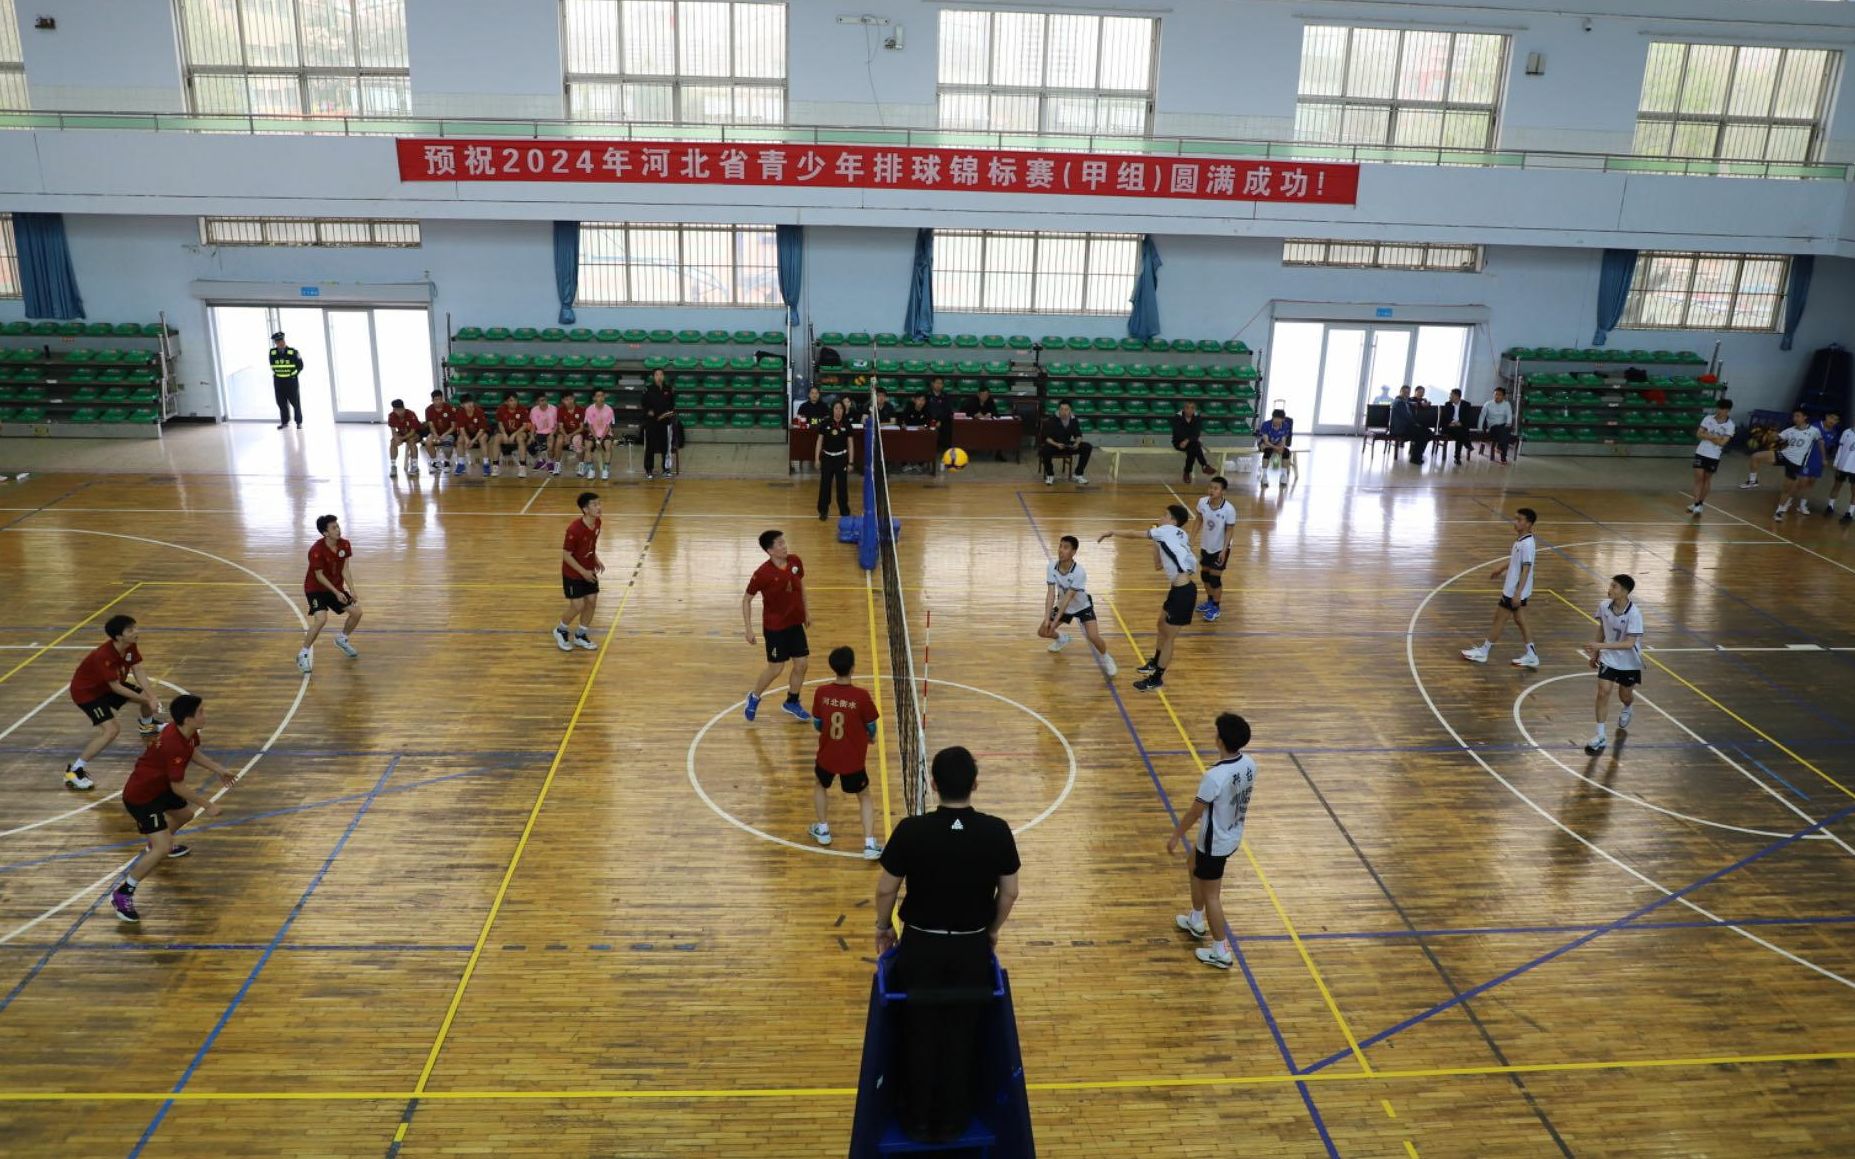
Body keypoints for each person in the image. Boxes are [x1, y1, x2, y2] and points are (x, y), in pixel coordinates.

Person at [873, 746, 1021, 1144]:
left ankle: (917, 1122)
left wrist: (883, 926)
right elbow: (1009, 893)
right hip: (971, 949)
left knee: (918, 1030)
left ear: (933, 784)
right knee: (962, 1033)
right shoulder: (997, 831)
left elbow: (886, 888)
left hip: (921, 947)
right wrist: (991, 930)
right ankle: (954, 1122)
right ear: (975, 784)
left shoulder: (911, 830)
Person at [109, 695, 237, 924]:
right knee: (163, 847)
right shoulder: (172, 743)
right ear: (188, 719)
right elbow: (178, 786)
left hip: (160, 787)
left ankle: (157, 844)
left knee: (185, 814)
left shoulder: (186, 733)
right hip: (143, 797)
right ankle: (124, 892)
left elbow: (192, 751)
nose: (205, 715)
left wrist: (218, 769)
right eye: (200, 712)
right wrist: (208, 805)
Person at [1170, 712, 1257, 970]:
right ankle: (1196, 919)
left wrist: (1176, 835)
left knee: (1213, 896)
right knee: (1192, 864)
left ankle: (1221, 950)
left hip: (1214, 842)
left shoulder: (1214, 777)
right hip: (1232, 834)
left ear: (1220, 740)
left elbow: (1195, 812)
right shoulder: (1249, 764)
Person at [1098, 504, 1197, 692]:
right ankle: (1155, 662)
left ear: (1173, 521)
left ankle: (1157, 678)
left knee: (1169, 637)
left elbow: (1133, 534)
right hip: (1178, 590)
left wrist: (1112, 532)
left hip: (1184, 593)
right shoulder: (1178, 535)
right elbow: (1158, 565)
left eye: (1165, 515)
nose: (1161, 517)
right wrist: (1155, 542)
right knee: (1161, 624)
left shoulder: (1165, 531)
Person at [64, 614, 161, 792]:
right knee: (111, 730)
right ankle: (74, 771)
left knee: (145, 696)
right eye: (130, 630)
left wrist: (151, 695)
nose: (136, 632)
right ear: (118, 636)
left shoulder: (130, 646)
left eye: (135, 627)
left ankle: (147, 726)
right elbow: (116, 688)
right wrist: (148, 699)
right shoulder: (104, 655)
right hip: (88, 693)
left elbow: (138, 669)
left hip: (106, 686)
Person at [809, 645, 883, 859]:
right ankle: (869, 844)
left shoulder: (822, 693)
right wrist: (870, 737)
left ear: (833, 667)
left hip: (827, 755)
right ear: (852, 668)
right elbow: (871, 726)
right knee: (864, 795)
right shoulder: (861, 696)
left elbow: (817, 724)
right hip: (853, 760)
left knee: (820, 784)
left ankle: (823, 831)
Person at [742, 529, 812, 723]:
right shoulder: (762, 574)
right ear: (770, 550)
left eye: (784, 542)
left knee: (802, 664)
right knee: (776, 668)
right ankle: (754, 697)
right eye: (779, 544)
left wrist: (806, 612)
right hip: (775, 628)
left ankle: (792, 701)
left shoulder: (795, 561)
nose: (784, 546)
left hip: (795, 623)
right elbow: (746, 600)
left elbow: (800, 586)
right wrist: (749, 629)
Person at [1461, 507, 1539, 669]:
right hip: (1514, 589)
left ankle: (1484, 652)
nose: (1515, 522)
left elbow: (1526, 569)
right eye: (1515, 518)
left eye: (1519, 520)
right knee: (1520, 620)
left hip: (1514, 591)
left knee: (1499, 618)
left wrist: (1517, 593)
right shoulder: (1521, 540)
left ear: (1529, 523)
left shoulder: (1527, 544)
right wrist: (1501, 568)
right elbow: (1516, 560)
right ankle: (1531, 655)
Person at [1582, 574, 1644, 756]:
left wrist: (1600, 646)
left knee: (1625, 696)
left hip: (1629, 661)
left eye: (1614, 586)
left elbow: (1629, 644)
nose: (1610, 589)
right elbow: (1603, 628)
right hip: (1609, 658)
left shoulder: (1634, 614)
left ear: (1625, 592)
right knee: (1602, 692)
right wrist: (1595, 653)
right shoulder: (1604, 606)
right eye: (1611, 585)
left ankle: (1628, 707)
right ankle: (1600, 735)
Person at [1038, 534, 1117, 676]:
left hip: (1082, 607)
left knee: (1093, 637)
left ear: (1073, 552)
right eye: (1060, 546)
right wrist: (1046, 618)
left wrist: (1054, 621)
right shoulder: (1051, 566)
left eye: (1066, 548)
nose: (1061, 550)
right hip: (1063, 606)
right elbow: (1050, 593)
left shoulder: (1079, 572)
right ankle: (1062, 639)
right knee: (1043, 631)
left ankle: (1106, 657)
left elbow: (1069, 597)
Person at [298, 514, 362, 674]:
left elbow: (345, 570)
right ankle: (303, 654)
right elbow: (319, 576)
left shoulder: (344, 545)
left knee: (356, 613)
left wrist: (352, 589)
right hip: (315, 589)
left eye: (337, 526)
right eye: (333, 528)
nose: (338, 529)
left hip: (335, 588)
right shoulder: (316, 550)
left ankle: (342, 638)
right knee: (321, 619)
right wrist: (336, 592)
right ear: (325, 533)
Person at [556, 491, 603, 653]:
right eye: (594, 505)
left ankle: (580, 635)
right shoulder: (574, 529)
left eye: (599, 503)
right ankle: (560, 630)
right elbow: (566, 555)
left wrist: (595, 558)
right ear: (585, 509)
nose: (599, 507)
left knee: (591, 601)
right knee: (578, 605)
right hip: (574, 573)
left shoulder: (597, 523)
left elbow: (591, 544)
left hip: (588, 569)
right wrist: (583, 572)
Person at [1192, 475, 1239, 622]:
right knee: (1205, 575)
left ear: (1223, 491)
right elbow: (1199, 519)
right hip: (1206, 545)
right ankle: (1210, 601)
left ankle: (1216, 608)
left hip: (1220, 548)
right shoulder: (1202, 502)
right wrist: (1191, 538)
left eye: (1216, 488)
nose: (1212, 490)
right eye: (1210, 487)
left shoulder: (1229, 509)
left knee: (1214, 578)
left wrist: (1224, 550)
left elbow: (1230, 530)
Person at [1772, 408, 1824, 522]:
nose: (1795, 418)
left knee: (1797, 484)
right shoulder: (1790, 430)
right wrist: (1774, 435)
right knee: (1795, 484)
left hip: (1800, 462)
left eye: (1798, 416)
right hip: (1788, 457)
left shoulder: (1814, 431)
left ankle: (1786, 506)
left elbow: (1821, 442)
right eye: (1794, 416)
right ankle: (1785, 503)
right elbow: (1779, 439)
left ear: (1805, 417)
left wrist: (1823, 458)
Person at [1688, 398, 1734, 516]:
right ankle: (1696, 504)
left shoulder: (1730, 425)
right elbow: (1699, 434)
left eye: (1722, 409)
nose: (1719, 411)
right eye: (1718, 408)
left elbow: (1722, 443)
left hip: (1714, 456)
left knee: (1706, 479)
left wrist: (1708, 435)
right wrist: (1715, 437)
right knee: (1698, 478)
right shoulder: (1708, 418)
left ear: (1728, 410)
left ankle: (1700, 503)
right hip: (1701, 452)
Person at [814, 398, 854, 521]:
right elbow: (819, 441)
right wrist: (817, 459)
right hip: (827, 458)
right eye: (836, 408)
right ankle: (823, 511)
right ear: (832, 410)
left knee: (842, 486)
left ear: (844, 410)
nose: (838, 411)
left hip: (841, 458)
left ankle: (844, 511)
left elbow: (850, 444)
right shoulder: (825, 422)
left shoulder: (847, 424)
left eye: (841, 408)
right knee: (825, 485)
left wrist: (851, 462)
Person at [1798, 410, 1840, 517]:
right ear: (1826, 416)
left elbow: (1828, 448)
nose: (1833, 421)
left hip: (1819, 461)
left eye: (1836, 420)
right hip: (1807, 459)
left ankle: (1802, 505)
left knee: (1811, 482)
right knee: (1802, 482)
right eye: (1831, 418)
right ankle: (1786, 502)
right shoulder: (1814, 426)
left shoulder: (1833, 433)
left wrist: (1825, 459)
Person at [1040, 400, 1092, 486]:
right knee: (1045, 450)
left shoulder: (1073, 419)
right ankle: (1050, 475)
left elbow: (1078, 435)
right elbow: (1047, 438)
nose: (1064, 412)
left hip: (1067, 445)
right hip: (1054, 445)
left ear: (1070, 410)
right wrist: (1056, 444)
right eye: (1061, 409)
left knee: (1087, 447)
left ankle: (1078, 474)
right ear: (1058, 410)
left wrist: (1076, 443)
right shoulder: (1052, 419)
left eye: (1066, 409)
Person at [642, 369, 678, 479]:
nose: (659, 377)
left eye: (661, 374)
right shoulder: (648, 389)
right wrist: (649, 412)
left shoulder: (669, 389)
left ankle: (666, 469)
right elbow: (644, 405)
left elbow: (672, 406)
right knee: (650, 446)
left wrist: (667, 414)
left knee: (666, 447)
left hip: (665, 422)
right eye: (657, 375)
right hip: (652, 422)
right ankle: (649, 469)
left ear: (664, 376)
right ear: (653, 377)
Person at [1171, 400, 1213, 483]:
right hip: (1179, 442)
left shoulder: (1197, 417)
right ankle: (1204, 465)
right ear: (1183, 409)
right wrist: (1190, 438)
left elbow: (1197, 433)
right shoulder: (1177, 417)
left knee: (1192, 449)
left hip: (1191, 442)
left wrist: (1188, 440)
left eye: (1192, 408)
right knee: (1195, 446)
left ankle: (1187, 473)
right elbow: (1178, 433)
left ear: (1194, 409)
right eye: (1187, 408)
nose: (1189, 410)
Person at [270, 331, 304, 430]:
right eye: (278, 341)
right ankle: (284, 422)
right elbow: (272, 365)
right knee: (281, 402)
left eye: (282, 340)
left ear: (284, 340)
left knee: (295, 402)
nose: (280, 343)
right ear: (275, 343)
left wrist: (293, 374)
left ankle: (299, 422)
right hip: (278, 381)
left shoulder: (293, 352)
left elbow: (300, 366)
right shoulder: (272, 352)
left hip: (291, 381)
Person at [493, 390, 530, 479]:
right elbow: (500, 424)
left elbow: (525, 426)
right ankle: (495, 466)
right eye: (511, 400)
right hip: (506, 432)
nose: (514, 402)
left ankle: (522, 467)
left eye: (515, 400)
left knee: (520, 438)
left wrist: (514, 434)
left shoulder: (522, 409)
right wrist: (504, 434)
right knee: (497, 438)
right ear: (506, 402)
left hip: (519, 431)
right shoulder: (500, 409)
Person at [1824, 416, 1855, 523]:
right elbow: (1840, 448)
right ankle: (1830, 506)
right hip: (1842, 465)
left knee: (1854, 491)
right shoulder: (1847, 432)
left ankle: (1850, 513)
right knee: (1836, 486)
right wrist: (1836, 462)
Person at [453, 392, 491, 477]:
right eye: (466, 403)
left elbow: (482, 429)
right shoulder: (460, 412)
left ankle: (486, 464)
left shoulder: (479, 411)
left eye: (470, 402)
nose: (469, 404)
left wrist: (473, 440)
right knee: (460, 440)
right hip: (468, 433)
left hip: (481, 432)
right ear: (462, 405)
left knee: (482, 439)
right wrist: (467, 439)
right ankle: (461, 464)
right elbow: (461, 428)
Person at [924, 377, 957, 474]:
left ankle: (946, 459)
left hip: (943, 422)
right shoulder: (927, 395)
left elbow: (948, 411)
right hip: (929, 421)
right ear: (932, 384)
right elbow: (925, 409)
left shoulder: (945, 396)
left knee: (947, 431)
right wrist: (932, 420)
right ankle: (927, 458)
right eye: (937, 383)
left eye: (941, 383)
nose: (938, 385)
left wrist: (940, 420)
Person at [386, 397, 424, 478]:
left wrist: (401, 439)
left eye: (401, 409)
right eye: (397, 410)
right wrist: (396, 438)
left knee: (411, 441)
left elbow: (412, 432)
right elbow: (393, 431)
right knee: (393, 442)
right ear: (394, 410)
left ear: (404, 408)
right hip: (402, 432)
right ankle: (393, 466)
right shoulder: (391, 416)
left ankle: (415, 466)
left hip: (416, 432)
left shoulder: (411, 414)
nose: (400, 412)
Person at [584, 388, 616, 481]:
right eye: (598, 396)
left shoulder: (609, 409)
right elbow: (590, 426)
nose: (601, 398)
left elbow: (608, 426)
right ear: (594, 398)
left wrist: (600, 440)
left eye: (602, 396)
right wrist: (596, 439)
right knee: (587, 446)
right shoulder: (589, 409)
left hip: (605, 434)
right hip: (593, 434)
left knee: (608, 446)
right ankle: (591, 470)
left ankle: (606, 470)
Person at [423, 389, 458, 475]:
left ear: (442, 399)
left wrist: (444, 435)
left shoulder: (450, 408)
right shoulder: (428, 410)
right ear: (432, 400)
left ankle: (447, 461)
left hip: (448, 432)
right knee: (428, 442)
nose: (438, 401)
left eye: (440, 399)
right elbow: (431, 425)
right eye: (436, 400)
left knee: (447, 443)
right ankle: (435, 462)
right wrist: (435, 435)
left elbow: (453, 426)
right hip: (435, 432)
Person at [1256, 409, 1292, 489]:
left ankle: (1283, 475)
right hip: (1265, 443)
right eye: (1276, 418)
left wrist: (1281, 446)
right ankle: (1264, 475)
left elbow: (1283, 439)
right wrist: (1276, 448)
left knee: (1286, 452)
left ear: (1283, 419)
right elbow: (1266, 441)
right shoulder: (1266, 424)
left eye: (1280, 419)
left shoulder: (1285, 425)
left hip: (1277, 444)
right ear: (1272, 417)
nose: (1277, 421)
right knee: (1268, 451)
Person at [1479, 386, 1514, 463]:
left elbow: (1509, 415)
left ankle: (1499, 446)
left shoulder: (1506, 404)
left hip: (1503, 426)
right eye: (1495, 394)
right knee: (1505, 433)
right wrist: (1480, 428)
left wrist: (1508, 423)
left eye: (1499, 395)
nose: (1497, 396)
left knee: (1506, 430)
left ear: (1503, 396)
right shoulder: (1488, 404)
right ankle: (1503, 457)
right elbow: (1482, 416)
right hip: (1492, 426)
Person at [529, 391, 561, 477]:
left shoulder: (554, 409)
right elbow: (533, 425)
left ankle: (550, 462)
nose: (544, 402)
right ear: (537, 402)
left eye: (545, 400)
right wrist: (531, 435)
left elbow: (557, 424)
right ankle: (540, 461)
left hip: (551, 432)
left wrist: (552, 434)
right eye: (541, 401)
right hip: (539, 433)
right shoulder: (534, 410)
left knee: (550, 445)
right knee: (529, 444)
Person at [557, 390, 587, 479]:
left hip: (577, 432)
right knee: (559, 440)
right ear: (563, 401)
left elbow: (581, 428)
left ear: (574, 399)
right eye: (566, 400)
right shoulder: (560, 410)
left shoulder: (580, 410)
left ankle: (581, 465)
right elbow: (560, 427)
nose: (569, 401)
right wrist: (566, 436)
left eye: (571, 399)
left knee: (577, 441)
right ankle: (557, 465)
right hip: (565, 433)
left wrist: (570, 436)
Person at [1437, 388, 1473, 463]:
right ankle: (1466, 445)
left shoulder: (1466, 405)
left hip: (1460, 426)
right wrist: (1452, 423)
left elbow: (1467, 417)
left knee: (1460, 434)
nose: (1449, 396)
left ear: (1456, 396)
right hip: (1449, 427)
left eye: (1451, 395)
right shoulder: (1448, 404)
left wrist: (1460, 423)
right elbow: (1445, 417)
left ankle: (1457, 458)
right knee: (1460, 434)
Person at [1407, 386, 1435, 464]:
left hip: (1422, 423)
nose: (1421, 394)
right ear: (1415, 392)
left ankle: (1417, 455)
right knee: (1424, 434)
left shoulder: (1424, 400)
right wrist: (1420, 404)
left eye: (1423, 392)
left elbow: (1427, 409)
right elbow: (1410, 404)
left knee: (1429, 434)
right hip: (1412, 423)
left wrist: (1428, 404)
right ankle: (1416, 456)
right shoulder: (1410, 399)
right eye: (1420, 392)